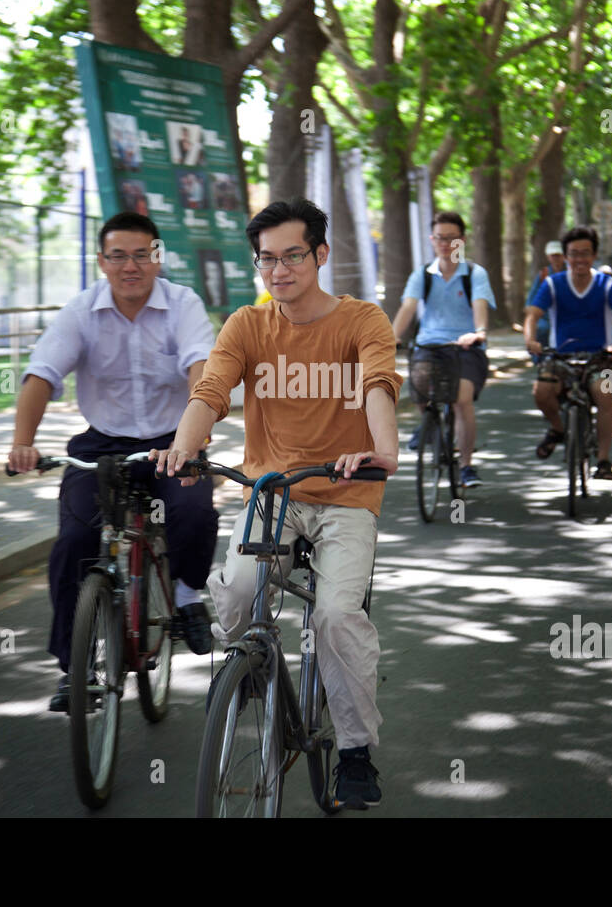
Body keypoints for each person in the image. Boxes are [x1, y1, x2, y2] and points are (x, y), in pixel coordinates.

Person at [154, 197, 400, 810]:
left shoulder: (363, 321)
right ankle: (244, 674)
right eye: (267, 259)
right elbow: (210, 392)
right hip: (273, 493)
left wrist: (382, 451)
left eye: (293, 256)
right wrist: (184, 449)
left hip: (346, 493)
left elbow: (377, 385)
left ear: (320, 254)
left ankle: (355, 751)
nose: (279, 270)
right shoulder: (247, 325)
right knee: (237, 590)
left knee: (337, 617)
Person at [8, 211, 220, 712]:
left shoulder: (182, 304)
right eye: (119, 255)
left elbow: (201, 369)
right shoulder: (82, 310)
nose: (131, 266)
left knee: (193, 513)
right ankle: (73, 667)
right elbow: (41, 374)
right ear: (102, 261)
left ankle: (188, 597)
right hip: (103, 445)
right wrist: (22, 443)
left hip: (174, 439)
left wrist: (192, 440)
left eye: (142, 255)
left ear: (156, 258)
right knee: (74, 543)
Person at [390, 211, 495, 488]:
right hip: (429, 345)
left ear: (462, 240)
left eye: (451, 238)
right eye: (440, 238)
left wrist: (479, 332)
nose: (445, 244)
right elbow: (408, 308)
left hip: (465, 347)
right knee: (420, 391)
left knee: (461, 400)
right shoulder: (422, 275)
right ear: (432, 240)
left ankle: (467, 466)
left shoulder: (474, 274)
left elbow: (480, 307)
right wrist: (390, 338)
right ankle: (430, 425)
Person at [524, 226, 612, 480]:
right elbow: (533, 315)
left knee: (605, 395)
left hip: (601, 357)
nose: (579, 259)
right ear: (565, 256)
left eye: (585, 253)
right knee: (542, 391)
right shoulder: (553, 284)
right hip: (559, 356)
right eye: (573, 254)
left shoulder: (608, 285)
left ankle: (603, 460)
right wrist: (530, 340)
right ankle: (558, 428)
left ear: (594, 256)